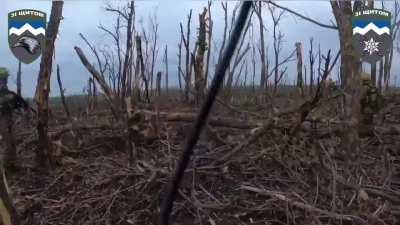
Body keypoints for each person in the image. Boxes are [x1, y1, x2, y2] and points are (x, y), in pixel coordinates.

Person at [0, 67, 30, 169]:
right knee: (8, 144)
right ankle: (4, 168)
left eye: (4, 80)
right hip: (3, 121)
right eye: (2, 80)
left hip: (8, 121)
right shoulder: (9, 95)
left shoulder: (11, 94)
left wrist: (24, 107)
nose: (3, 82)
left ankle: (11, 164)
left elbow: (23, 104)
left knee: (12, 142)